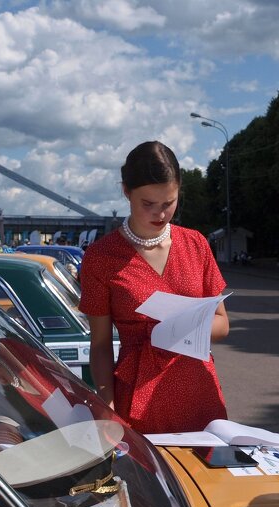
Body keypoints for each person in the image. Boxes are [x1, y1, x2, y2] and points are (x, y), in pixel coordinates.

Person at [79, 140, 230, 435]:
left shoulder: (196, 244)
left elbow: (223, 324)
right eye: (148, 204)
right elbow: (99, 344)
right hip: (137, 395)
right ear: (126, 191)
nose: (160, 214)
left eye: (168, 203)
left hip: (198, 391)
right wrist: (106, 402)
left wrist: (180, 327)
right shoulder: (100, 257)